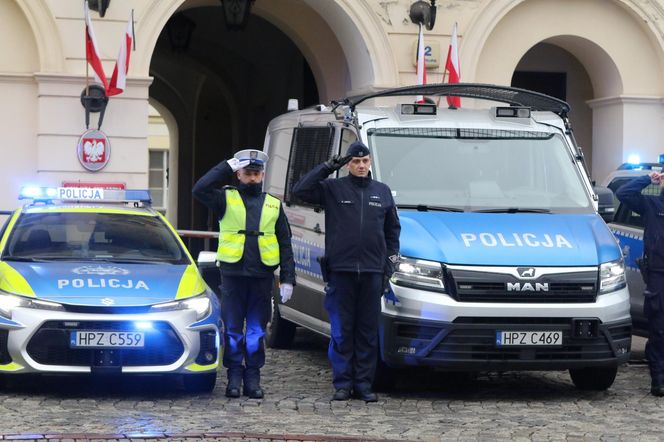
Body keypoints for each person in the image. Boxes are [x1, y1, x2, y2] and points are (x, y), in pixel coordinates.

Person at [292, 141, 401, 402]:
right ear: (348, 164)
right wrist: (329, 166)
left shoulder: (382, 192)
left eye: (364, 161)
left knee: (366, 332)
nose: (361, 166)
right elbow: (301, 189)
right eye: (355, 162)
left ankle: (363, 384)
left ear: (370, 163)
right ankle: (342, 383)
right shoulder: (333, 188)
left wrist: (390, 264)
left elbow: (392, 232)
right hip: (341, 271)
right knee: (342, 331)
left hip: (373, 272)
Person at [193, 149, 296, 399]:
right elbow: (199, 189)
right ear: (239, 174)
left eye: (256, 173)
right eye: (247, 173)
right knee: (233, 330)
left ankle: (253, 377)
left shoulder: (273, 204)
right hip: (233, 275)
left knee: (257, 331)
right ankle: (234, 377)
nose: (252, 177)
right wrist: (226, 165)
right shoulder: (224, 199)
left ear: (262, 175)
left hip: (261, 277)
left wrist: (288, 278)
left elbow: (285, 243)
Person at [616, 170, 664, 396]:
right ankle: (659, 379)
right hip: (658, 274)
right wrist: (648, 179)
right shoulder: (652, 204)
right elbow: (624, 193)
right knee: (659, 329)